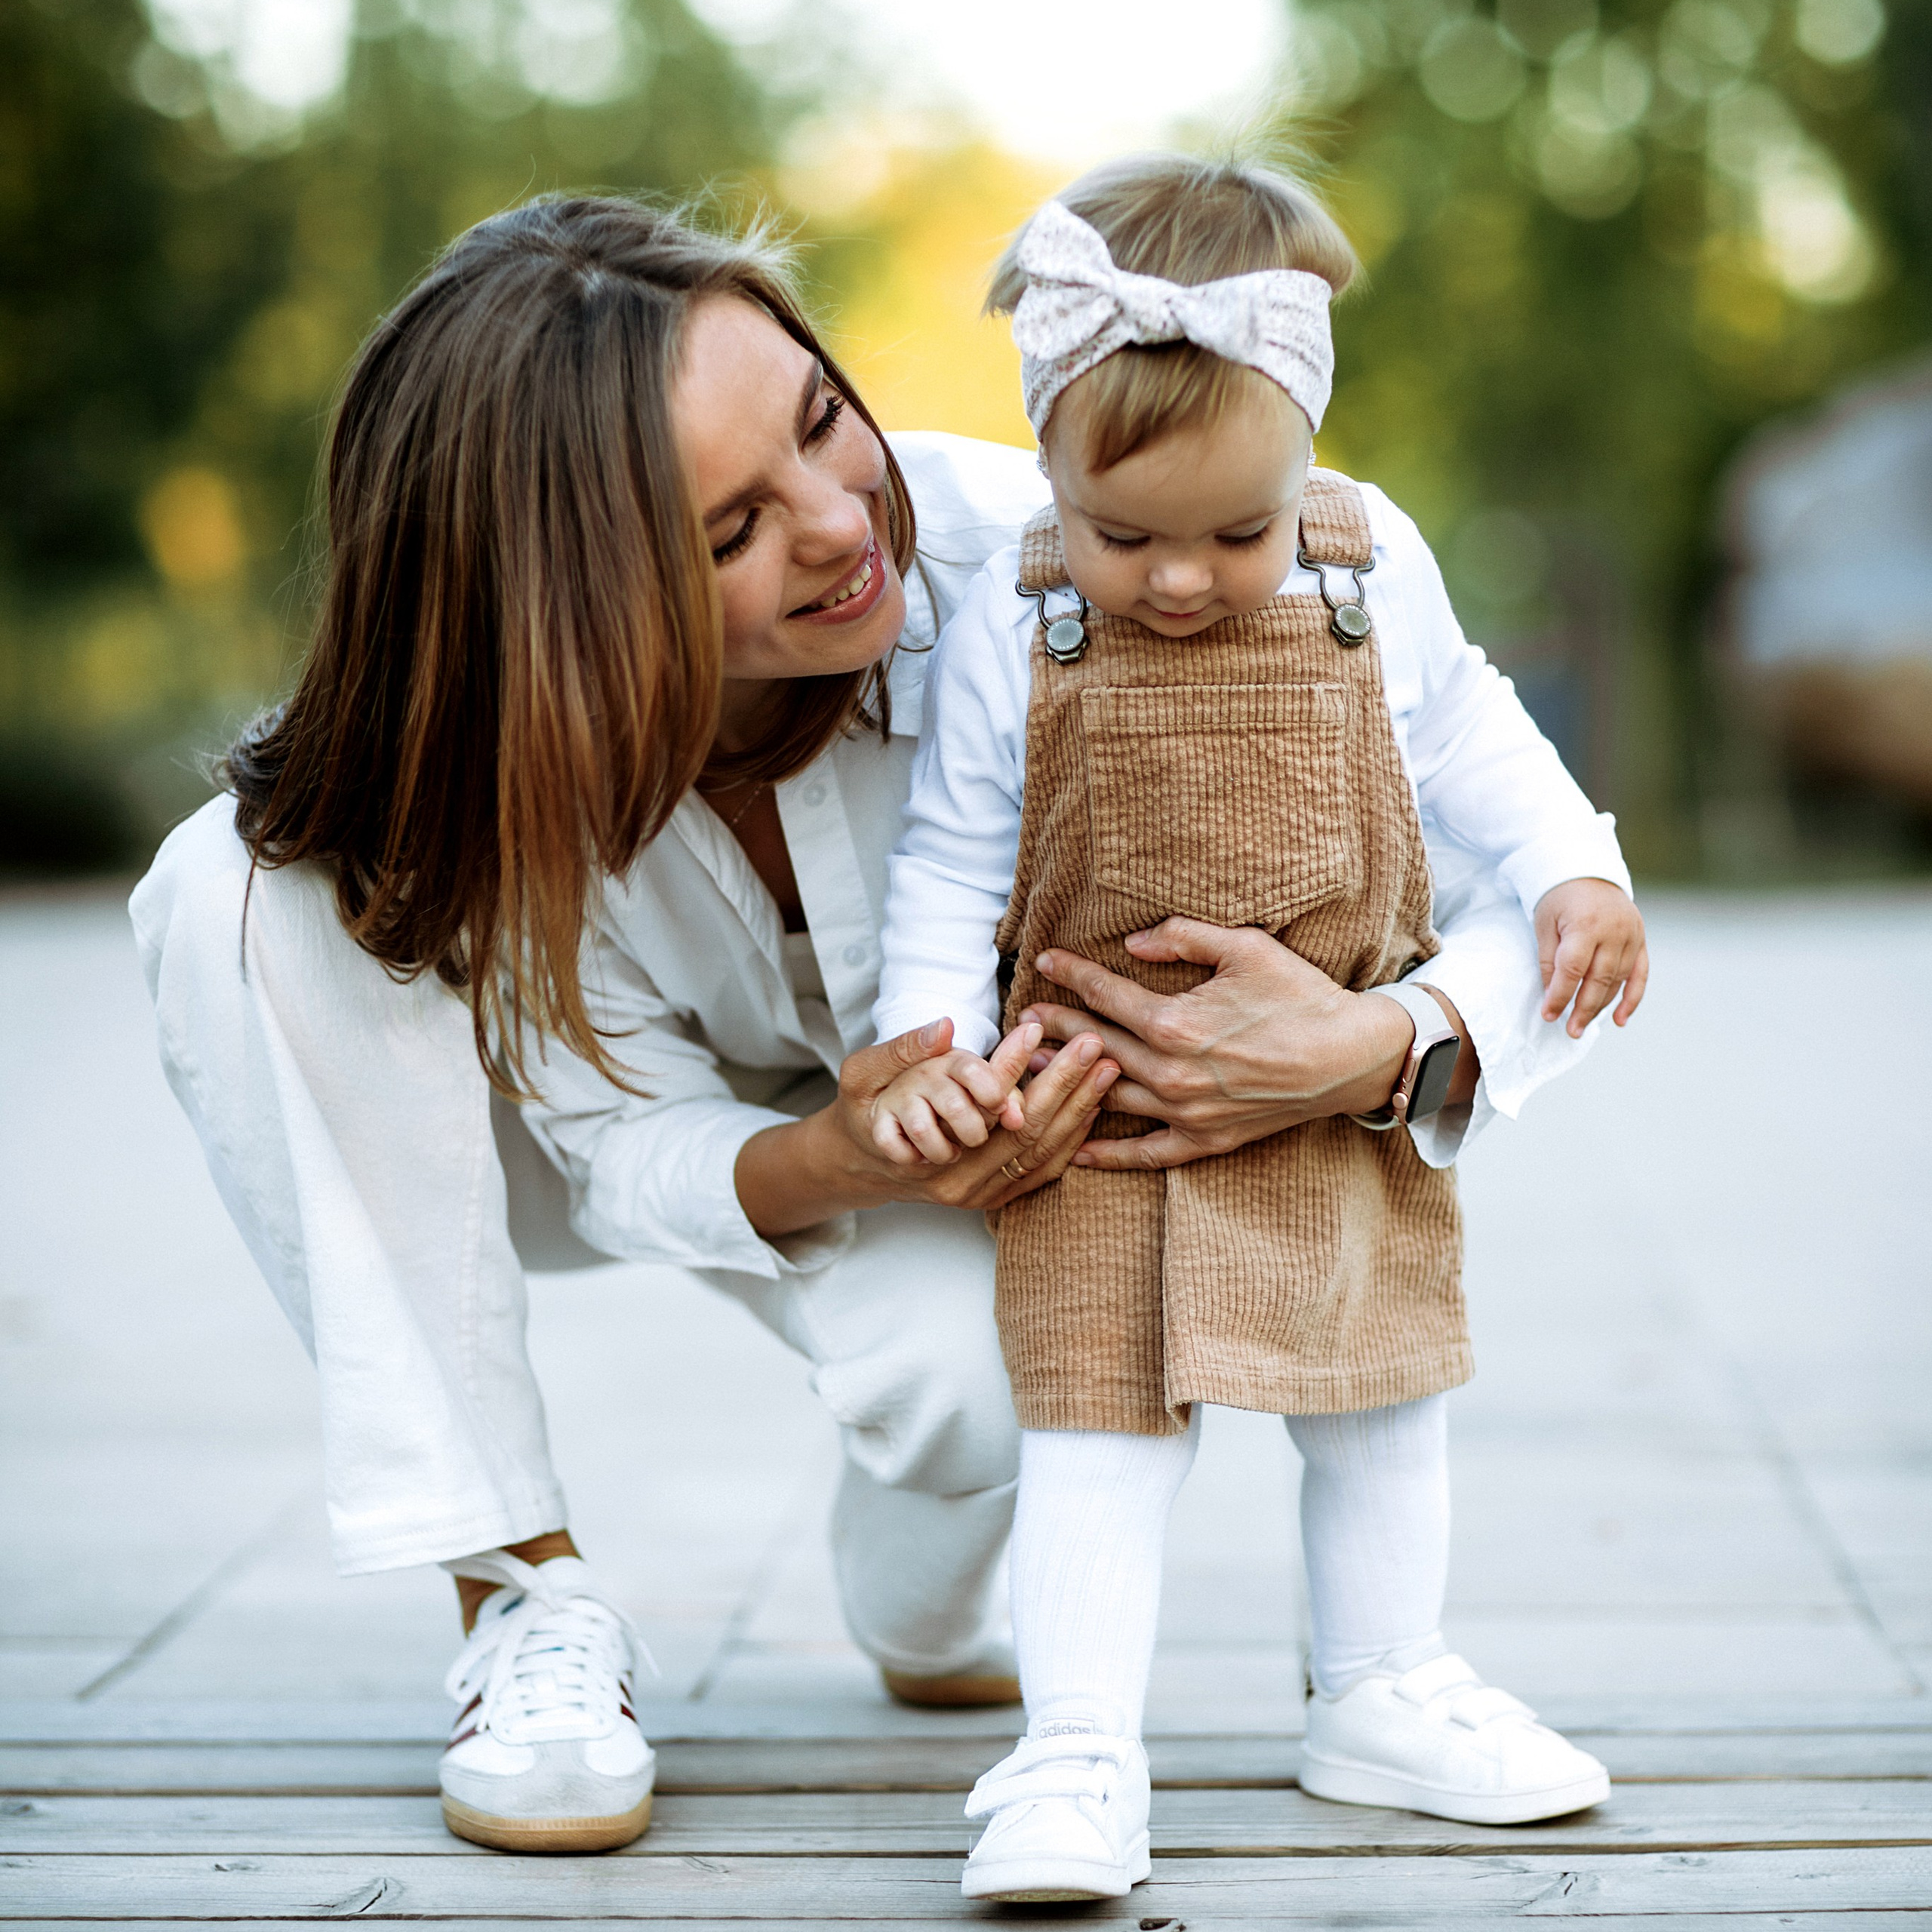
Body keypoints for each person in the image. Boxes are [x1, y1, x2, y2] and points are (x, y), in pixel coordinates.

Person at [131, 191, 1620, 1860]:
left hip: (1018, 1172)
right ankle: (516, 1588)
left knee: (979, 1403)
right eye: (727, 533)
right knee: (232, 880)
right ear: (568, 610)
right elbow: (615, 1146)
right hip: (610, 1145)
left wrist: (1380, 1037)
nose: (842, 521)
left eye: (823, 419)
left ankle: (930, 1589)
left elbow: (1527, 840)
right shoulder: (493, 751)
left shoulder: (1092, 549)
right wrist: (835, 1153)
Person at [866, 155, 1651, 1904]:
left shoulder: (1369, 570)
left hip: (1329, 1079)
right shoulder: (1013, 605)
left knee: (1378, 1394)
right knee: (1093, 1416)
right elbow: (945, 851)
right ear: (1051, 469)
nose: (1175, 582)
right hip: (1093, 1097)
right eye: (1122, 534)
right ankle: (1072, 1741)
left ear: (1305, 454)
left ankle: (1380, 1679)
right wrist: (921, 1037)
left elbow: (1473, 741)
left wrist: (1570, 869)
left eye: (1234, 532)